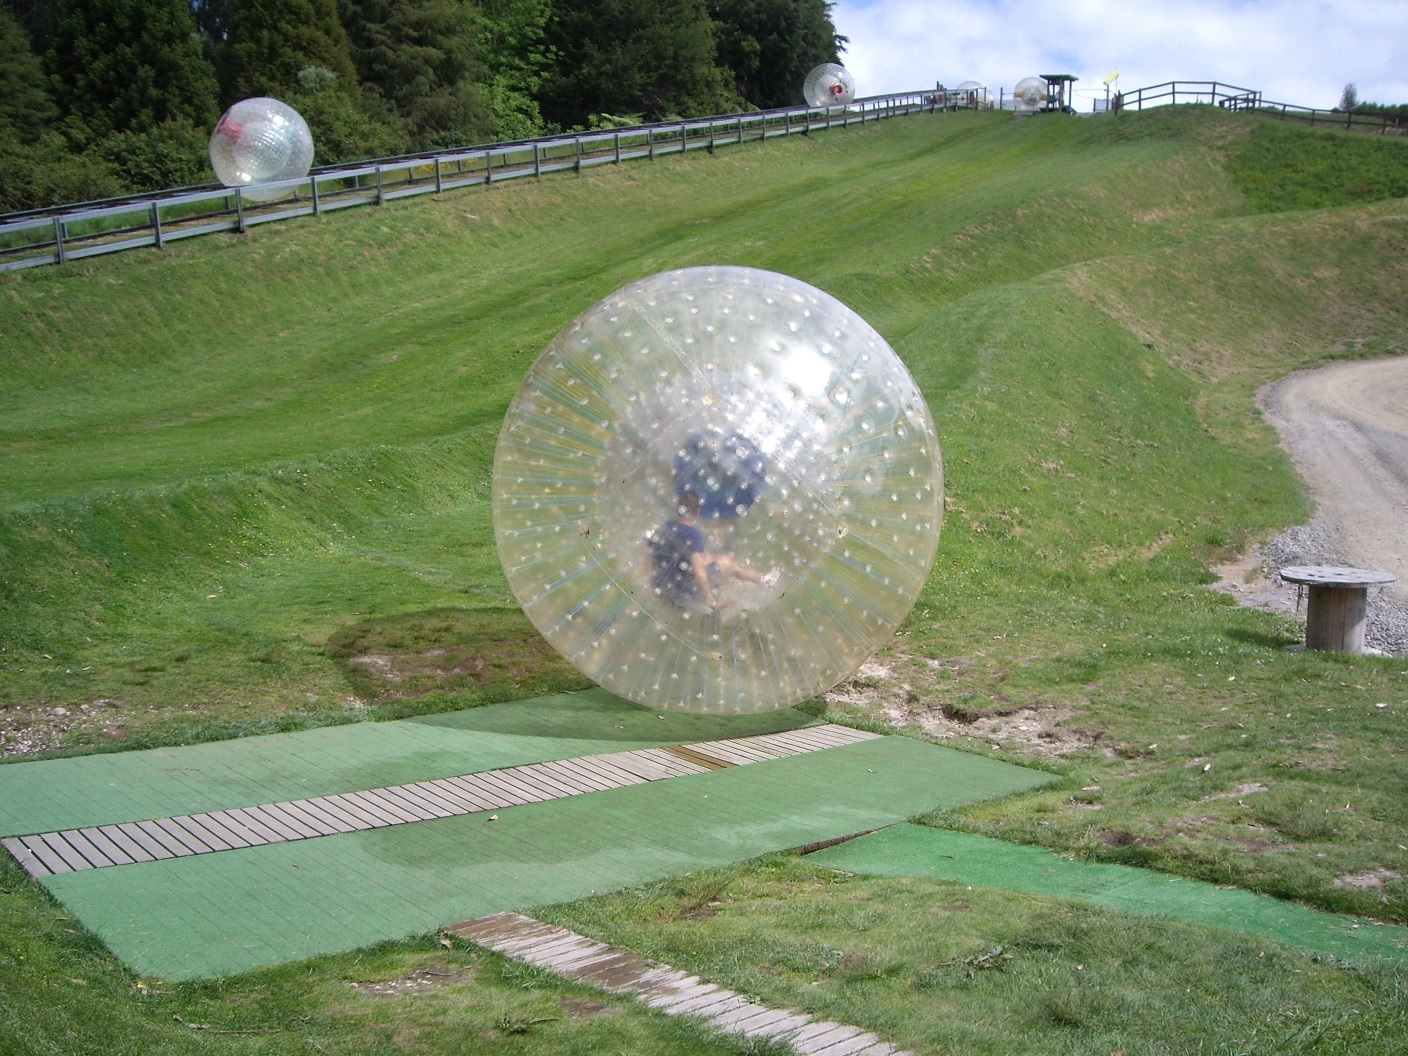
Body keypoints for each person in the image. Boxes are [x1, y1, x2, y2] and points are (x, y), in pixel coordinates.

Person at [647, 491, 774, 609]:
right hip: (683, 593)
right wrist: (711, 601)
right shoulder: (693, 535)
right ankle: (763, 580)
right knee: (727, 562)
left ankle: (748, 578)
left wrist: (651, 585)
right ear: (697, 512)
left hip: (663, 588)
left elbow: (649, 556)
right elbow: (698, 571)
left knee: (711, 557)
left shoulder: (665, 528)